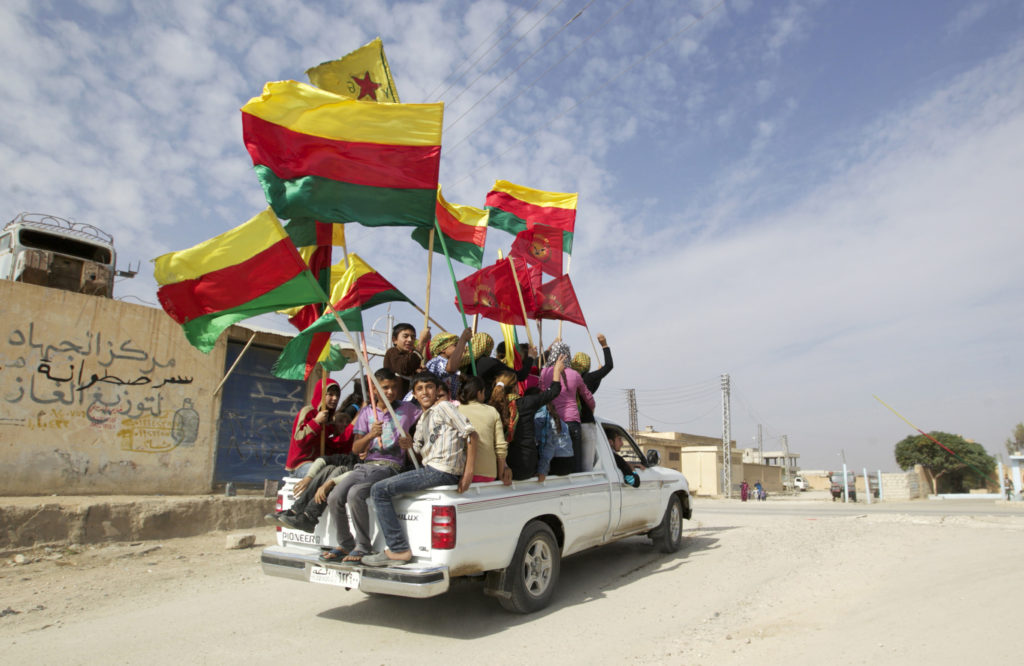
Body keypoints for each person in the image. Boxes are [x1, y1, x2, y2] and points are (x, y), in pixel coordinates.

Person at [364, 372, 478, 567]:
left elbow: (471, 434)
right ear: (414, 395)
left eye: (429, 387)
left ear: (436, 391)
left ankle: (398, 549)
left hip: (443, 470)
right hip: (432, 469)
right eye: (419, 389)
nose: (425, 392)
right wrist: (407, 445)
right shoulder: (424, 419)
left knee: (379, 490)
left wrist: (468, 473)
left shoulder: (444, 407)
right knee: (383, 486)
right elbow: (416, 453)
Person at [320, 368, 420, 563]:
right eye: (385, 388)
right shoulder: (367, 412)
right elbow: (356, 448)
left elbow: (426, 412)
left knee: (356, 493)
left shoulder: (408, 409)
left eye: (393, 388)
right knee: (334, 496)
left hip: (390, 467)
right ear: (374, 390)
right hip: (366, 465)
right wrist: (370, 435)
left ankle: (363, 546)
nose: (390, 392)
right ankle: (345, 542)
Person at [495, 357, 564, 481]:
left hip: (500, 468)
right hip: (526, 467)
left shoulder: (493, 406)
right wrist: (556, 371)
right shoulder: (526, 403)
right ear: (516, 387)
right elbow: (553, 391)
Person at [539, 341, 594, 473]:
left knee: (552, 459)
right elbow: (588, 398)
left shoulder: (544, 372)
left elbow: (541, 395)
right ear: (568, 355)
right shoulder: (575, 374)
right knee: (575, 461)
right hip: (572, 422)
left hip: (552, 422)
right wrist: (591, 409)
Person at [271, 451, 361, 532]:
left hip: (352, 485)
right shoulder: (351, 458)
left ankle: (309, 517)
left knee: (340, 470)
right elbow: (322, 460)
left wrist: (330, 483)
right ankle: (295, 511)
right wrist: (308, 477)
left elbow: (357, 473)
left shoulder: (370, 461)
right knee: (328, 468)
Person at [285, 379, 351, 478]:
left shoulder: (330, 419)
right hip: (301, 465)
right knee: (325, 472)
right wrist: (316, 422)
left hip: (320, 463)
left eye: (337, 395)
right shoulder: (308, 412)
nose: (335, 398)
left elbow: (330, 447)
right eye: (330, 394)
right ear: (321, 394)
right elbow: (299, 440)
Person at [457, 376, 511, 484]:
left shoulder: (456, 410)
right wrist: (501, 473)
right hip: (487, 474)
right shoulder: (492, 411)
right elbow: (501, 446)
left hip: (461, 474)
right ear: (479, 393)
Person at [571, 334, 614, 423]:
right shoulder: (589, 378)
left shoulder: (567, 378)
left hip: (570, 422)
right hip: (586, 422)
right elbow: (609, 365)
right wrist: (604, 345)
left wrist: (598, 376)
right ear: (587, 364)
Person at [383, 322, 430, 397]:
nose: (410, 340)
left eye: (413, 337)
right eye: (405, 336)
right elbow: (404, 368)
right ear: (394, 339)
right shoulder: (392, 352)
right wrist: (421, 343)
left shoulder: (410, 356)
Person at [425, 327, 472, 400]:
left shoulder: (451, 364)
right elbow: (451, 368)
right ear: (443, 349)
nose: (459, 349)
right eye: (455, 345)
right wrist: (463, 340)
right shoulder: (436, 362)